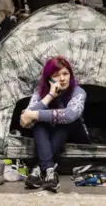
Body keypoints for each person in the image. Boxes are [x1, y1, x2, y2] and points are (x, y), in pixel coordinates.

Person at [20, 57, 89, 191]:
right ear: (49, 79)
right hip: (53, 135)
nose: (62, 79)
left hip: (76, 134)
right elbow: (24, 121)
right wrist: (50, 95)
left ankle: (38, 168)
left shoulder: (78, 92)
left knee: (63, 119)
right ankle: (50, 172)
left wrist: (34, 114)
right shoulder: (40, 93)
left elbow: (69, 115)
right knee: (38, 123)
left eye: (65, 74)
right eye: (56, 75)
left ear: (70, 75)